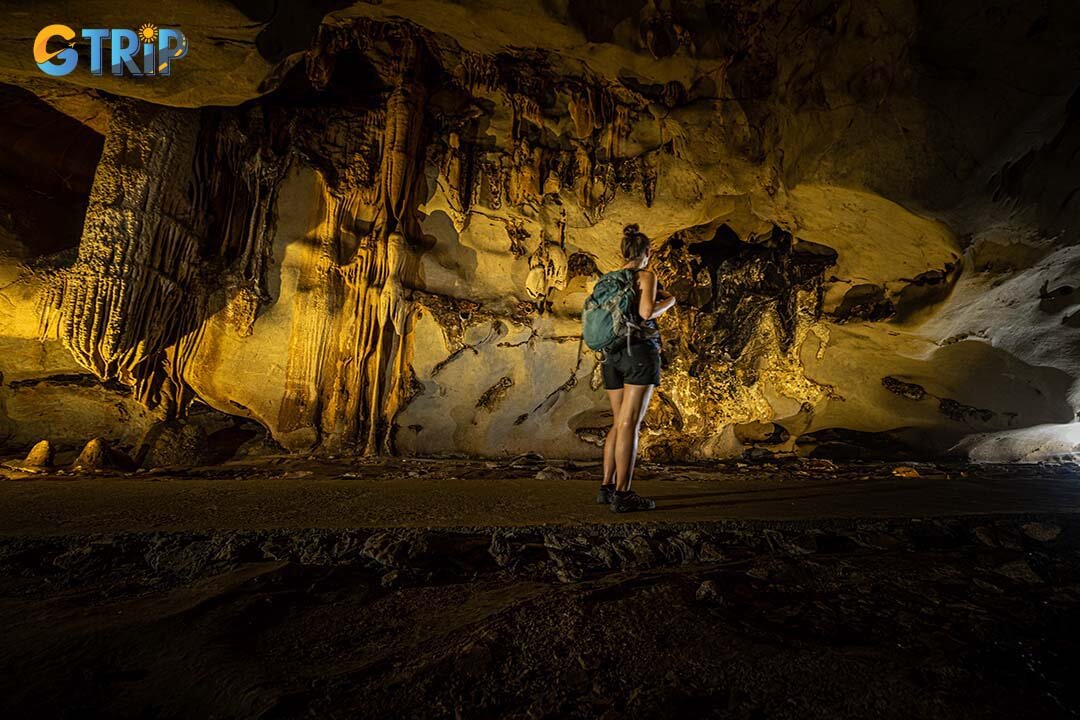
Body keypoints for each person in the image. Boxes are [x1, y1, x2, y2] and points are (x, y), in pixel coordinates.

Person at [597, 224, 676, 513]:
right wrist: (668, 301)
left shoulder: (608, 279)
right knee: (630, 423)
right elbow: (645, 313)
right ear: (647, 252)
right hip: (638, 354)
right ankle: (624, 493)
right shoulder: (646, 275)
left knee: (618, 422)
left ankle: (606, 486)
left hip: (611, 355)